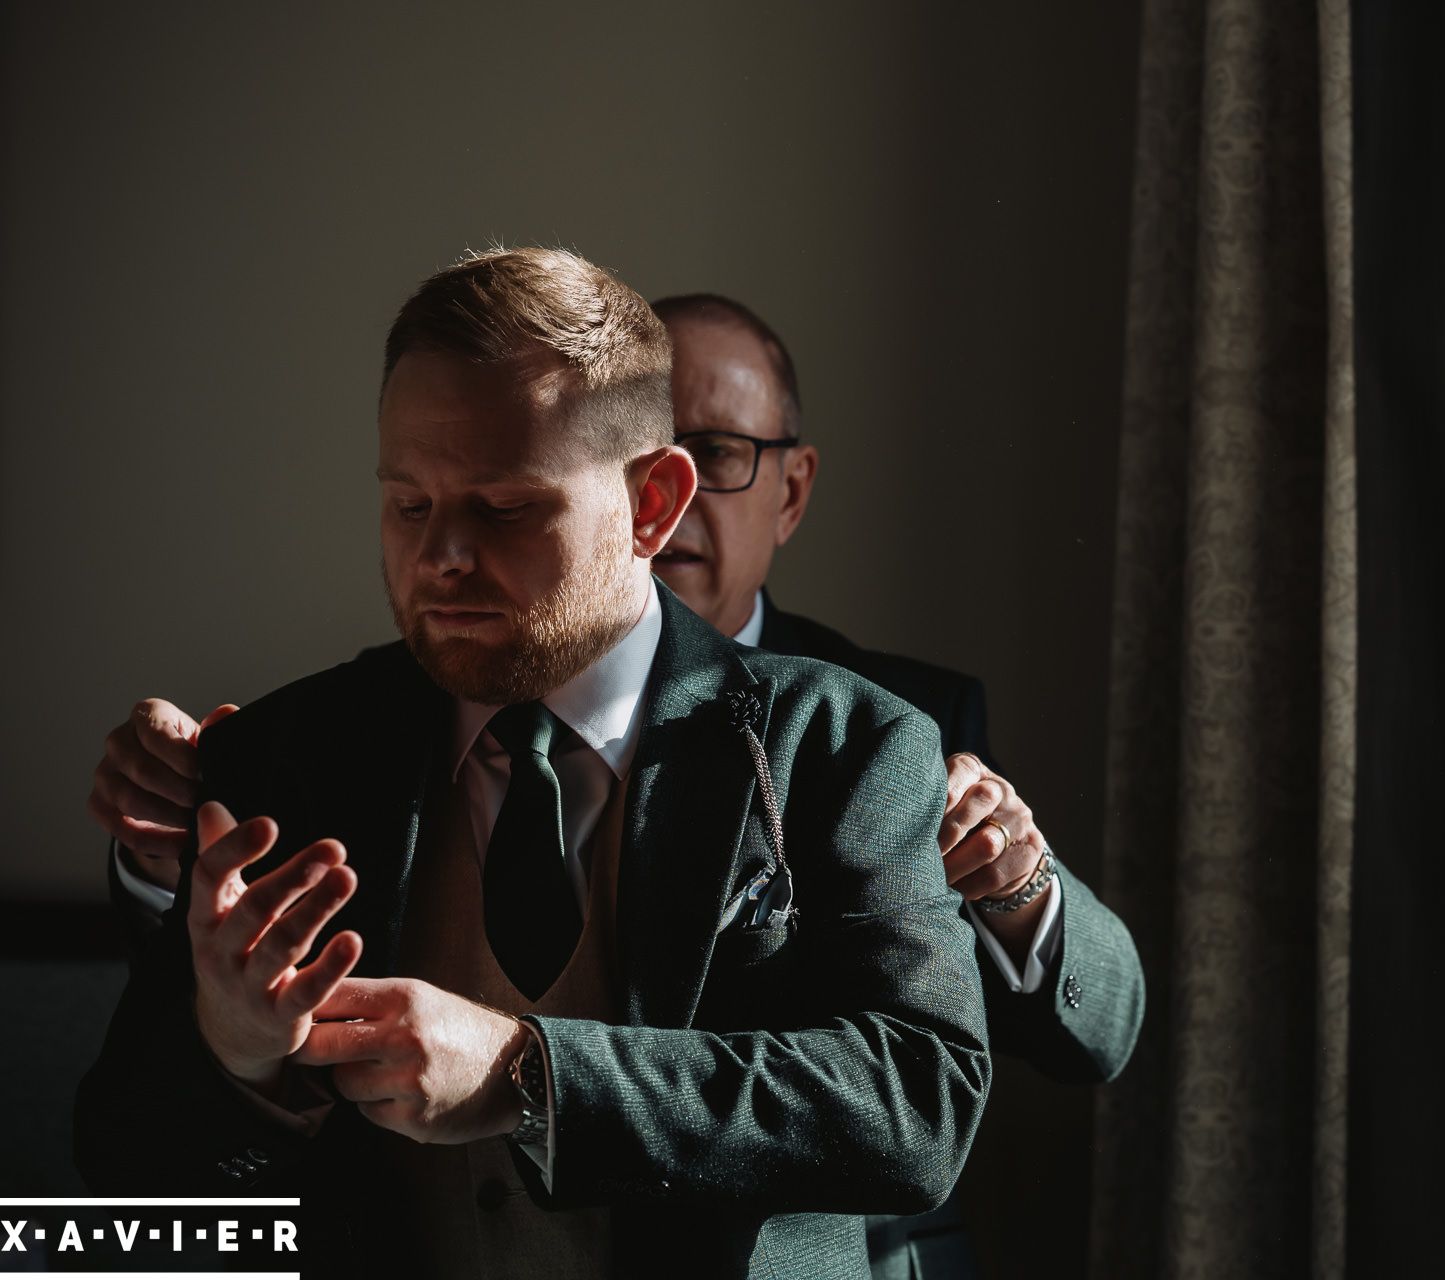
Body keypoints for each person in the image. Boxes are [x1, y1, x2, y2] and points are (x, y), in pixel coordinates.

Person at [89, 289, 1146, 1279]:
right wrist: (238, 1063)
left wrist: (529, 1074)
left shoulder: (858, 734)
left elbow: (922, 1104)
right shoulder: (287, 750)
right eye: (408, 503)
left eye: (505, 506)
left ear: (652, 500)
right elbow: (121, 1176)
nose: (443, 555)